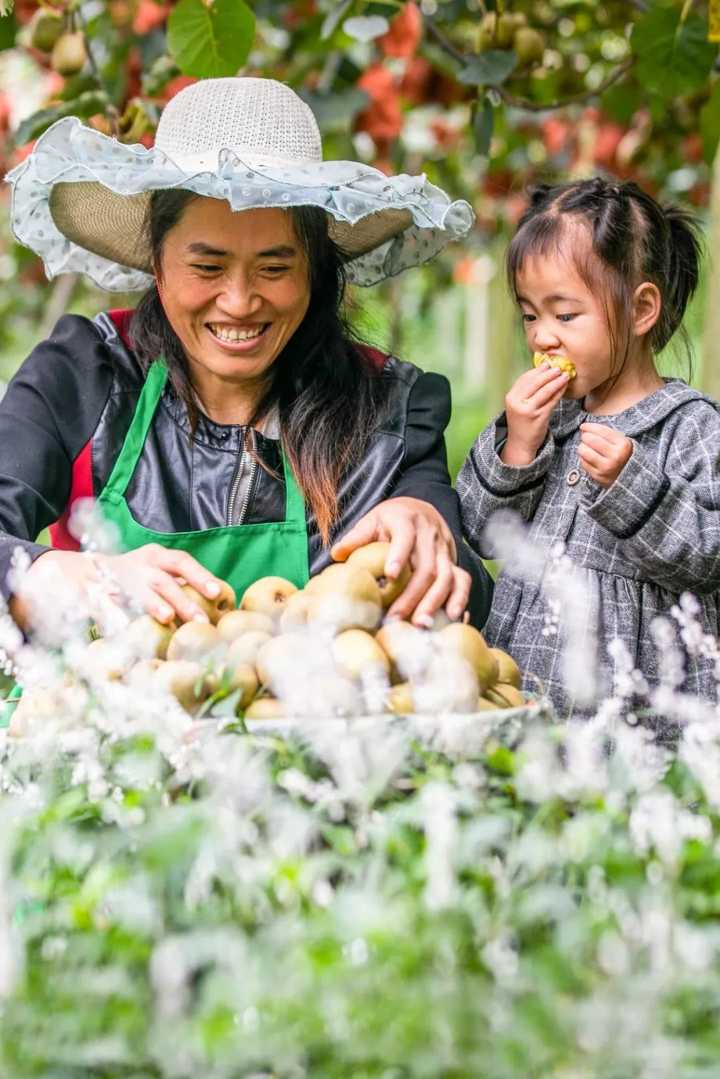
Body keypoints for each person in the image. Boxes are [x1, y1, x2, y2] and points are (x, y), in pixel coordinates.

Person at [3, 76, 492, 635]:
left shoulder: (387, 407)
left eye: (275, 268)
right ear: (157, 266)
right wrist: (61, 576)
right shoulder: (87, 373)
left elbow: (465, 605)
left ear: (315, 271)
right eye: (207, 268)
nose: (238, 302)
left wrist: (429, 531)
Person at [457, 177, 720, 717]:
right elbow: (480, 533)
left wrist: (637, 489)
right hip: (524, 698)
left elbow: (709, 557)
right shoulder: (543, 420)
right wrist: (516, 451)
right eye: (530, 315)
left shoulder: (689, 428)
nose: (541, 337)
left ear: (641, 309)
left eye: (565, 315)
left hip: (635, 718)